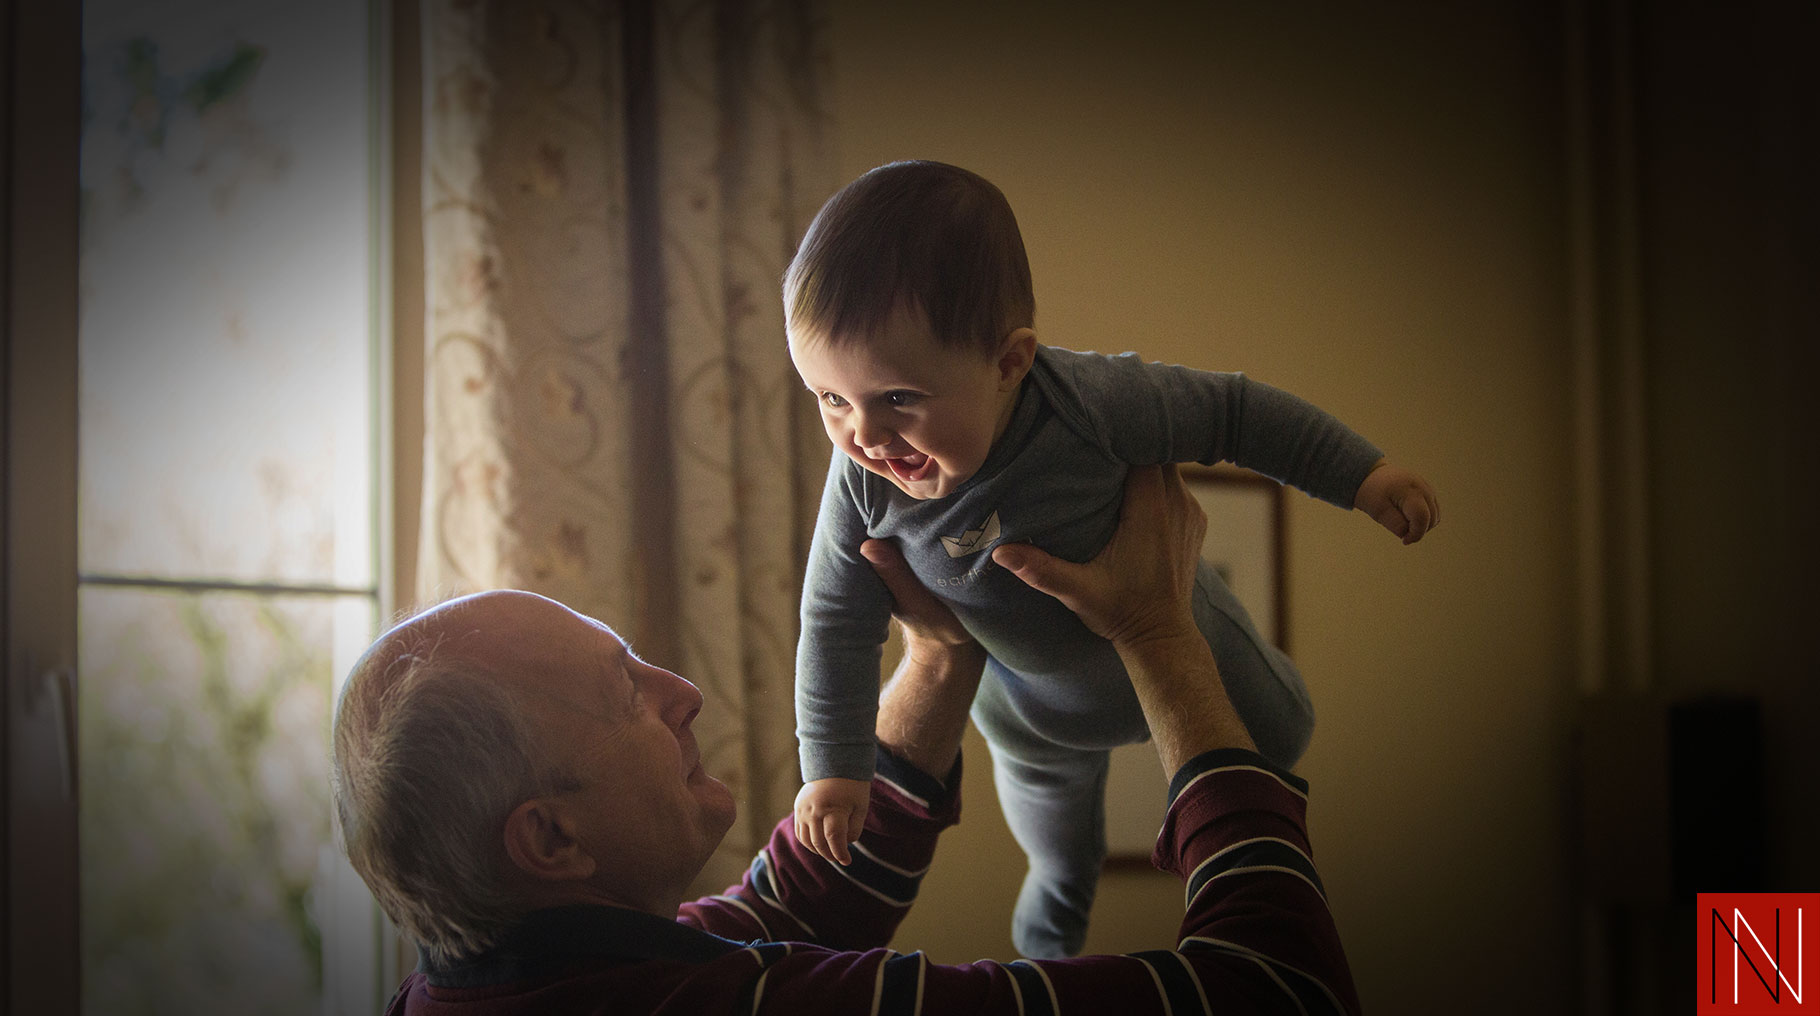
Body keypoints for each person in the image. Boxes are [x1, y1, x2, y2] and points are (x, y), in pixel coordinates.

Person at [331, 466, 1361, 1014]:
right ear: (549, 839)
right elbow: (1276, 992)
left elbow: (801, 900)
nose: (682, 691)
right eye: (625, 690)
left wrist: (936, 651)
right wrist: (1158, 633)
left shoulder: (508, 978)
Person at [787, 159, 1440, 957]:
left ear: (1008, 364)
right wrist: (834, 768)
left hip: (1185, 636)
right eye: (829, 399)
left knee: (1284, 735)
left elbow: (1235, 413)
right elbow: (834, 621)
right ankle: (1049, 954)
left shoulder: (1091, 403)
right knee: (1061, 858)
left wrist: (1363, 475)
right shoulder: (860, 482)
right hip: (1032, 716)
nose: (864, 436)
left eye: (898, 398)